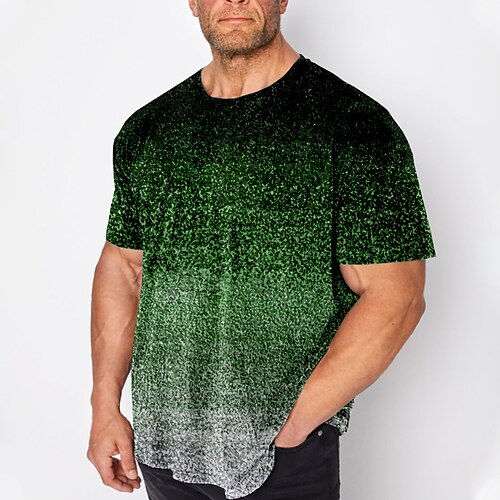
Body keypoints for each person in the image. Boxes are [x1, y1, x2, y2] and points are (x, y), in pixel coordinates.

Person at [86, 0, 436, 498]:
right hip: (162, 449)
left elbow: (397, 296)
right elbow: (123, 266)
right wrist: (105, 406)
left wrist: (294, 424)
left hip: (283, 457)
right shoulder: (149, 129)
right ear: (193, 3)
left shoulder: (354, 126)